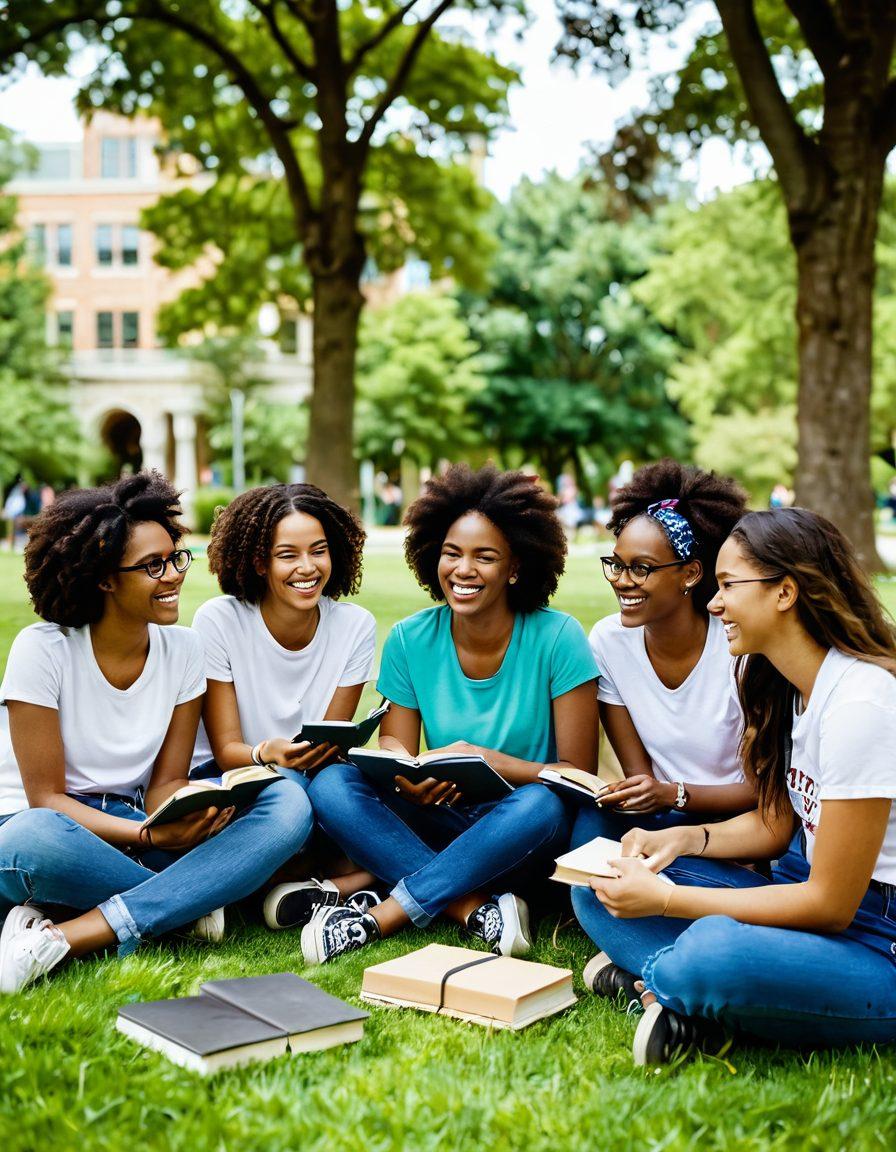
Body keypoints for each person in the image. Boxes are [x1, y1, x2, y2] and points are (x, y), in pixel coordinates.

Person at [579, 507, 896, 1066]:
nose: (714, 602)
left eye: (728, 585)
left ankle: (661, 985)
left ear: (785, 592)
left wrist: (669, 900)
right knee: (597, 883)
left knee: (712, 952)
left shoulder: (860, 704)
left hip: (876, 938)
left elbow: (830, 905)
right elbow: (774, 825)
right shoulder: (783, 684)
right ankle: (681, 993)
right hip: (798, 893)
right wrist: (683, 841)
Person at [0, 472, 311, 995]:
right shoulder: (43, 649)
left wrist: (192, 811)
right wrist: (148, 836)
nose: (173, 575)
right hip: (43, 827)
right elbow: (47, 800)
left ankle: (77, 927)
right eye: (152, 566)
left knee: (290, 803)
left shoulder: (184, 651)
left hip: (133, 822)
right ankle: (189, 908)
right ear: (104, 578)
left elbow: (166, 781)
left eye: (175, 558)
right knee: (31, 841)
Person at [303, 463, 600, 964]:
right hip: (436, 818)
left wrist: (495, 761)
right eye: (451, 553)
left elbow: (578, 777)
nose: (463, 570)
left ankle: (381, 916)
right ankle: (475, 911)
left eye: (484, 557)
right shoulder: (410, 638)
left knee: (544, 805)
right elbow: (397, 745)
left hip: (519, 833)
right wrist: (405, 775)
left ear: (515, 567)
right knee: (332, 784)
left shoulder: (559, 637)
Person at [572, 462, 757, 995]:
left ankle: (646, 973)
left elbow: (769, 796)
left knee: (611, 882)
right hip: (660, 815)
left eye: (642, 569)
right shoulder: (609, 640)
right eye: (616, 564)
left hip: (738, 825)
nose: (621, 582)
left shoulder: (738, 649)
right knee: (589, 846)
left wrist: (675, 795)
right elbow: (640, 776)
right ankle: (655, 961)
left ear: (691, 574)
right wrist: (637, 796)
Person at [192, 483, 378, 929]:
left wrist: (310, 758)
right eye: (288, 555)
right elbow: (226, 750)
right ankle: (322, 881)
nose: (308, 568)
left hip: (311, 780)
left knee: (334, 788)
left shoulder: (355, 626)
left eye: (319, 551)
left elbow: (328, 741)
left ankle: (286, 884)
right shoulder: (220, 620)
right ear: (259, 561)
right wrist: (268, 753)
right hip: (232, 780)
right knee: (295, 795)